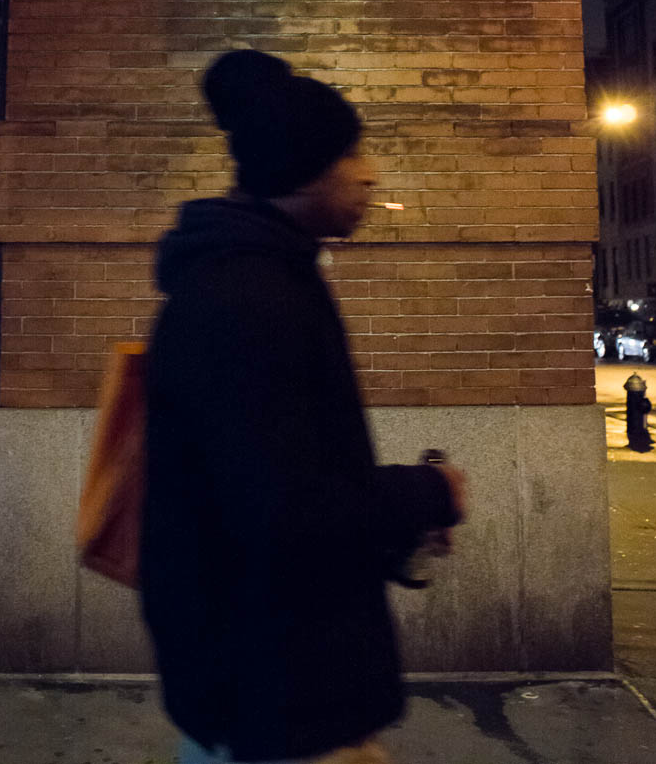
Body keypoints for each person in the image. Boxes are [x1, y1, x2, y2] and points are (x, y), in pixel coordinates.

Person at [140, 49, 466, 764]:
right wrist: (426, 492)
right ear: (303, 169)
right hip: (276, 697)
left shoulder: (255, 276)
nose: (370, 173)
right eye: (351, 154)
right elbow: (281, 510)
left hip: (282, 688)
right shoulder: (246, 296)